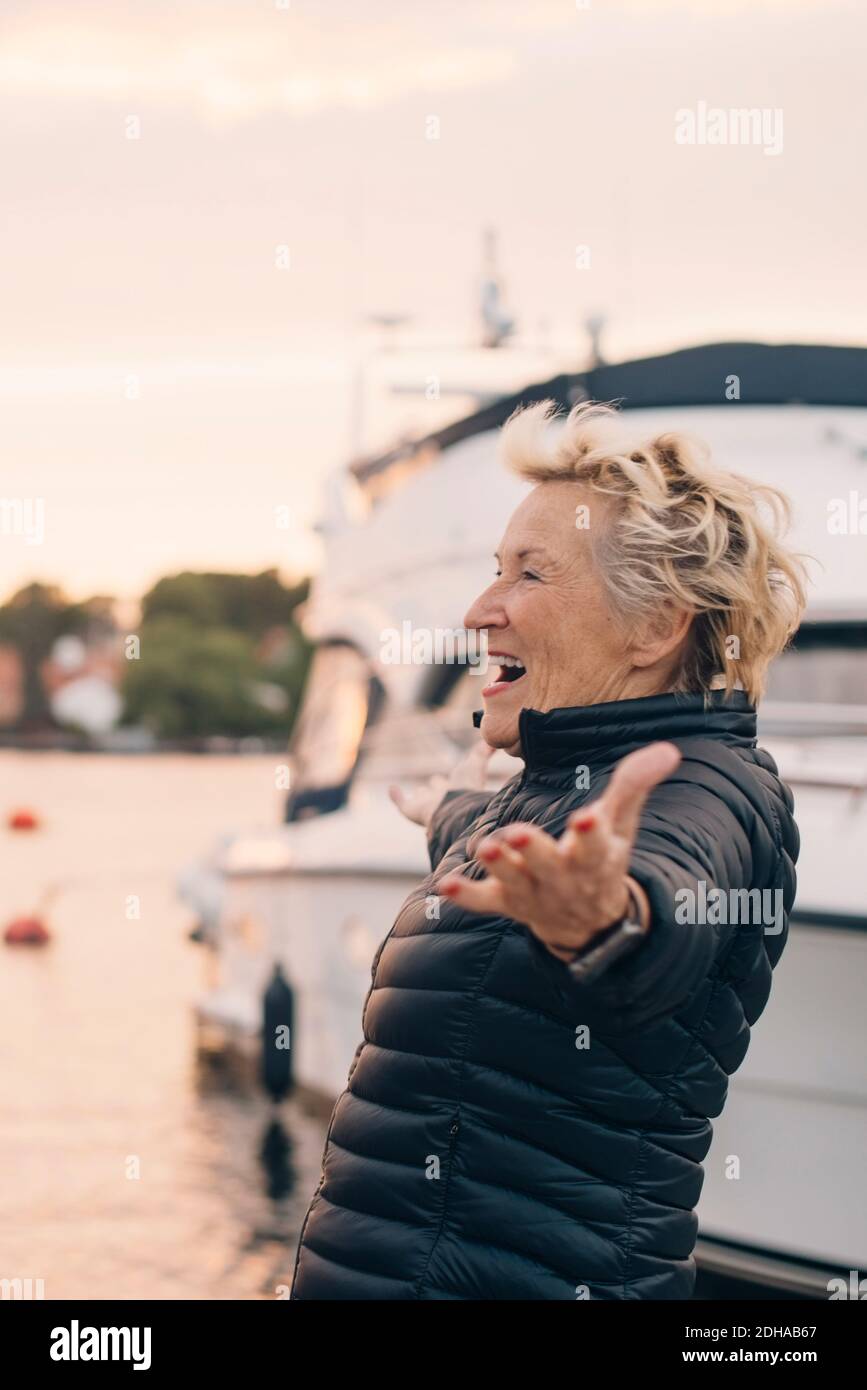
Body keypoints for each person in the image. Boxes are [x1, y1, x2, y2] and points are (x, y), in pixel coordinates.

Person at [291, 400, 807, 1300]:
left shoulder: (705, 782)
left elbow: (666, 899)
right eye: (494, 570)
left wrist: (605, 921)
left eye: (528, 575)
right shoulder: (539, 786)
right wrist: (450, 814)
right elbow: (517, 863)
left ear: (654, 626)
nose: (480, 608)